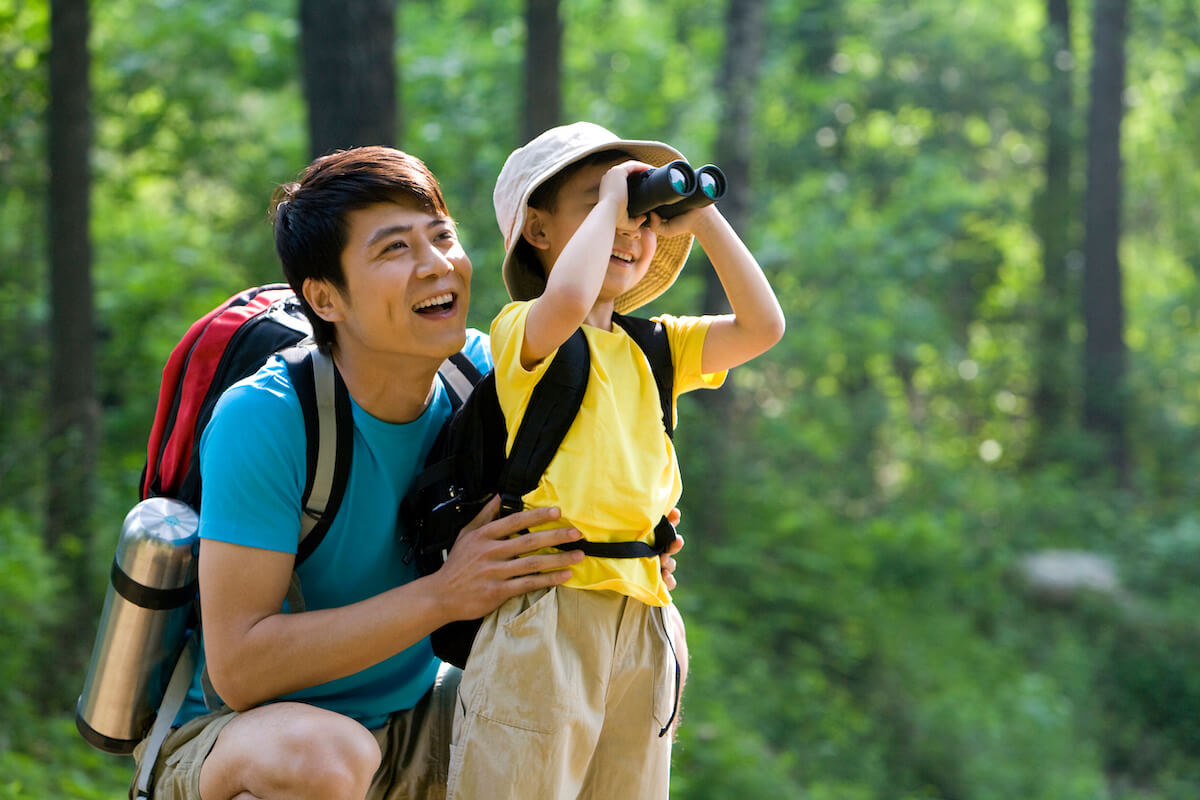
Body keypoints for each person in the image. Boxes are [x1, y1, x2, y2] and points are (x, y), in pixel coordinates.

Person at [127, 146, 685, 800]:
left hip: (416, 717)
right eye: (395, 249)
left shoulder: (485, 377)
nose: (437, 264)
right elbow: (240, 668)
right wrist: (446, 594)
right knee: (327, 758)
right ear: (325, 298)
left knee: (593, 689)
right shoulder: (269, 417)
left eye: (442, 236)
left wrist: (624, 554)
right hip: (243, 734)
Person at [446, 122, 785, 799]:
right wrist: (613, 201)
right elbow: (568, 301)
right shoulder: (523, 327)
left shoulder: (655, 347)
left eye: (642, 213)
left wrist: (703, 219)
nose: (630, 225)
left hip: (646, 617)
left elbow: (762, 326)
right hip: (548, 611)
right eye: (599, 202)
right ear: (538, 232)